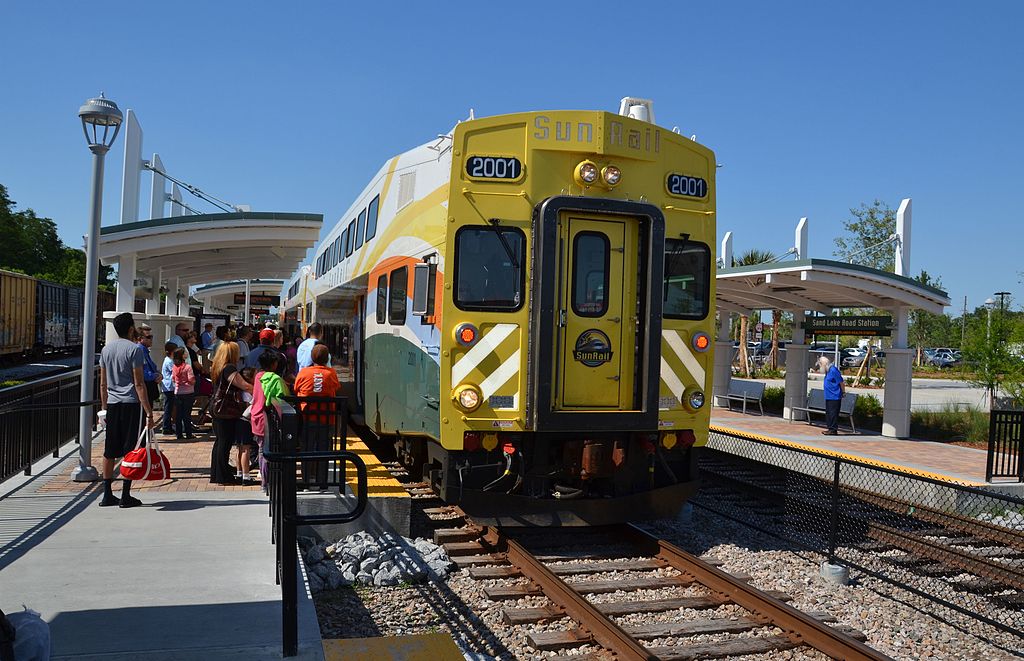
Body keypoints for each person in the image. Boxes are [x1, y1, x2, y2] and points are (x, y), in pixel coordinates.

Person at [98, 312, 154, 508]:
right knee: (131, 449)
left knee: (110, 449)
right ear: (131, 329)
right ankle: (125, 494)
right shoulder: (134, 350)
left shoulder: (106, 350)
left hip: (112, 404)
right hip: (131, 404)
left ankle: (107, 494)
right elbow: (139, 383)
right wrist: (148, 411)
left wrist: (104, 407)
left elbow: (103, 383)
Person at [294, 344, 341, 485]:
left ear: (311, 358)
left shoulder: (303, 373)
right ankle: (322, 482)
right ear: (327, 358)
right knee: (324, 450)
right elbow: (337, 387)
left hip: (307, 418)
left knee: (306, 449)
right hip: (327, 419)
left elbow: (296, 388)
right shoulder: (331, 373)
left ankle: (306, 481)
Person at [209, 341, 252, 484]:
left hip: (217, 407)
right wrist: (258, 391)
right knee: (225, 442)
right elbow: (244, 385)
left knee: (220, 441)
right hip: (225, 409)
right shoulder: (229, 368)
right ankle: (223, 475)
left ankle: (216, 473)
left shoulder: (218, 366)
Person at [250, 350, 290, 493]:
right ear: (274, 364)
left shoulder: (258, 376)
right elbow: (283, 397)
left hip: (255, 417)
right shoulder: (275, 379)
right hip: (266, 419)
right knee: (267, 452)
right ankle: (266, 483)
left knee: (262, 450)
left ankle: (264, 482)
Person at [171, 347, 197, 439]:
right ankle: (188, 433)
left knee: (179, 414)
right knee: (187, 414)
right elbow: (191, 379)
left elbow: (173, 379)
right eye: (185, 352)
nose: (186, 353)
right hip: (188, 392)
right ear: (182, 356)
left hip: (178, 392)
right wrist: (192, 382)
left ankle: (179, 434)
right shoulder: (187, 367)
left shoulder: (174, 367)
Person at [819, 356, 846, 435]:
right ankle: (830, 428)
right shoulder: (828, 371)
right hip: (828, 396)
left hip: (834, 396)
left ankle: (833, 430)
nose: (820, 366)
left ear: (824, 364)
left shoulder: (833, 370)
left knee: (833, 413)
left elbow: (841, 382)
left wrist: (843, 392)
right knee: (829, 413)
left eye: (821, 364)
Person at [136, 324, 160, 409]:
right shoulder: (139, 350)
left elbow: (153, 367)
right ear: (140, 338)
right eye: (148, 337)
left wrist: (158, 374)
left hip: (149, 388)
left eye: (152, 337)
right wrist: (156, 375)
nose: (151, 339)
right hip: (144, 388)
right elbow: (144, 374)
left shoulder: (145, 351)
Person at [159, 342, 177, 436]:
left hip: (169, 386)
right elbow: (174, 372)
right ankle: (166, 427)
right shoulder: (169, 361)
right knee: (168, 407)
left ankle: (168, 425)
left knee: (170, 407)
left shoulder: (169, 360)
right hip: (169, 387)